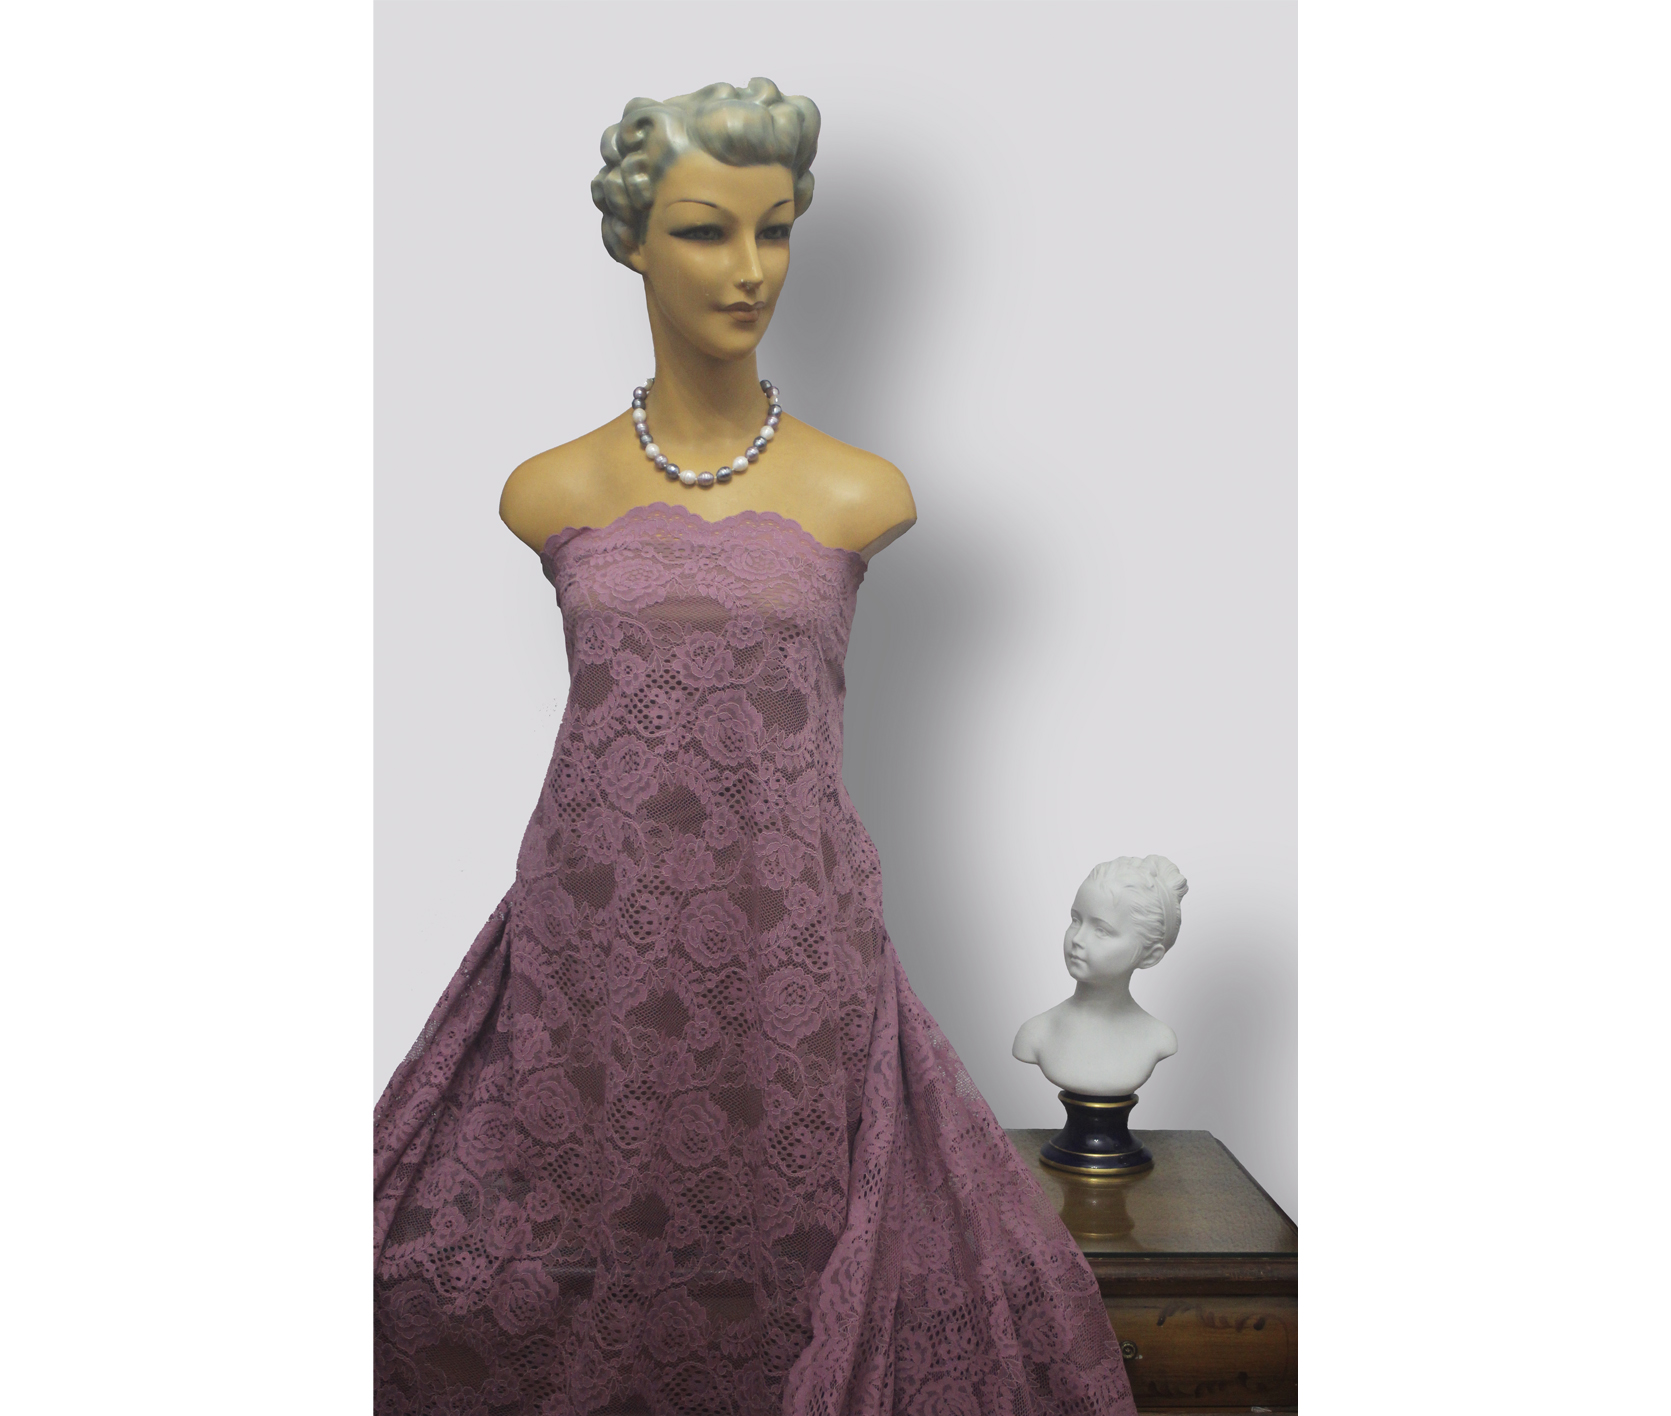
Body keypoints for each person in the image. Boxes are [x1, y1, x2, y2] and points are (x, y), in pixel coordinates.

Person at [375, 78, 1136, 1416]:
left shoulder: (860, 491)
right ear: (630, 239)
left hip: (792, 955)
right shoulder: (547, 489)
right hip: (586, 956)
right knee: (469, 1274)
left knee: (798, 1271)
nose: (750, 270)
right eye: (704, 229)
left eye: (774, 229)